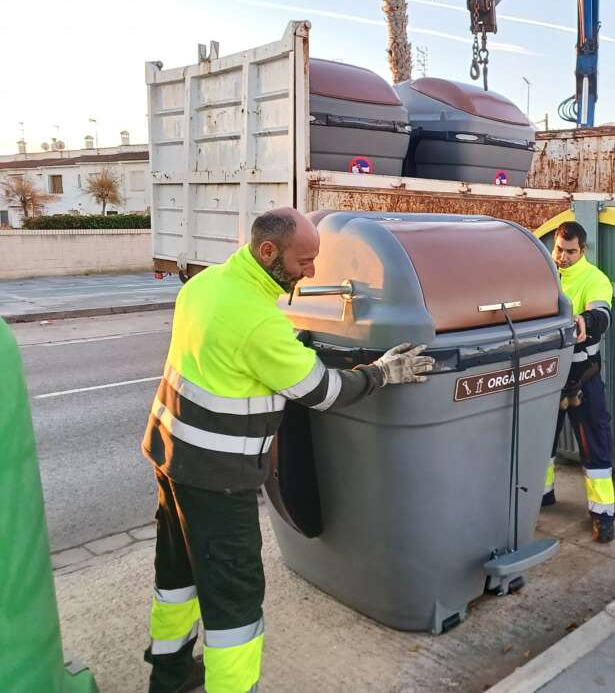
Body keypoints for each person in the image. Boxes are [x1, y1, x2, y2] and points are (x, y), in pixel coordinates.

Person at [141, 208, 433, 693]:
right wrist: (381, 373)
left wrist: (290, 349)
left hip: (171, 453)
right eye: (305, 260)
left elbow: (230, 358)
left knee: (176, 569)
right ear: (268, 252)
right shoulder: (258, 322)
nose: (313, 272)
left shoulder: (205, 285)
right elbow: (321, 392)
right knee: (234, 598)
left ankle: (168, 674)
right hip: (218, 475)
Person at [541, 221, 615, 543]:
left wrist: (586, 320)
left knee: (595, 446)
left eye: (571, 252)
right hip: (545, 376)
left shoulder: (595, 278)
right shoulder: (542, 274)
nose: (563, 257)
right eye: (559, 249)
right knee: (540, 442)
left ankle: (603, 514)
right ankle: (540, 497)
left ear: (582, 250)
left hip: (583, 376)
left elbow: (602, 314)